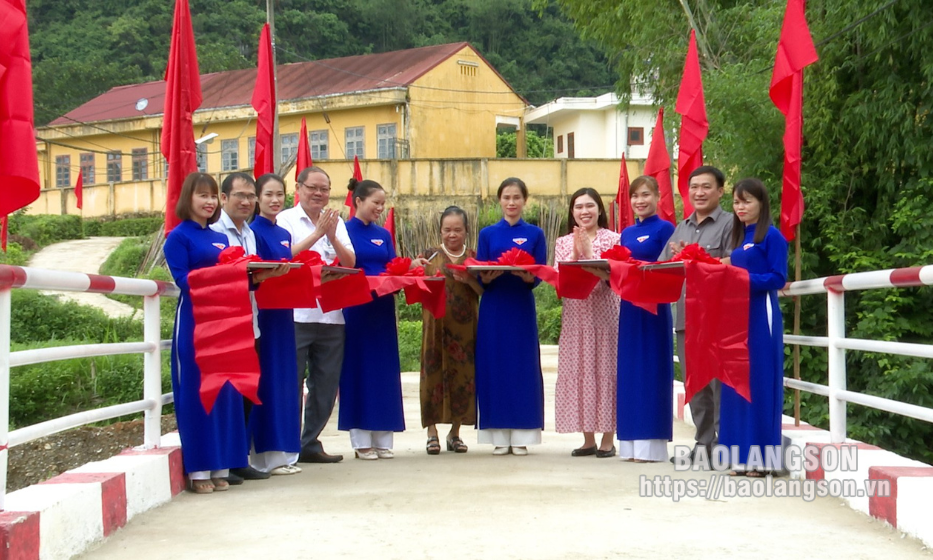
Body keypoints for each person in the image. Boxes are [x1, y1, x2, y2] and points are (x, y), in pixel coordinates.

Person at [163, 172, 284, 494]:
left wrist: (264, 275)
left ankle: (221, 466)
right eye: (202, 195)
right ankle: (199, 470)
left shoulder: (219, 238)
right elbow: (184, 281)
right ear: (187, 198)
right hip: (196, 321)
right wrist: (225, 273)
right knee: (199, 392)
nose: (209, 202)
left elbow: (239, 281)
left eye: (212, 196)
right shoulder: (178, 237)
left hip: (228, 322)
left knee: (226, 393)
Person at [277, 166, 356, 464]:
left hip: (332, 315)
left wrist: (332, 235)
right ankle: (286, 444)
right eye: (313, 188)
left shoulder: (338, 221)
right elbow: (286, 258)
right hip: (296, 315)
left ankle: (310, 442)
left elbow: (350, 260)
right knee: (292, 383)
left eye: (324, 189)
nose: (319, 194)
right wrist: (317, 233)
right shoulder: (285, 219)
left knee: (325, 384)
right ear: (299, 188)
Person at [659, 165, 734, 464]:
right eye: (694, 188)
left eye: (706, 187)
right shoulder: (682, 227)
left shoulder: (731, 224)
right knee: (696, 384)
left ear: (720, 191)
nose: (699, 193)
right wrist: (677, 256)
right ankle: (703, 444)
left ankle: (725, 445)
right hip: (686, 318)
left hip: (717, 317)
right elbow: (663, 266)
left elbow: (734, 266)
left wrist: (700, 261)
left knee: (719, 383)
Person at [474, 177, 547, 456]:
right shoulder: (487, 234)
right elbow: (479, 274)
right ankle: (497, 435)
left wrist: (529, 277)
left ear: (525, 200)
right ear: (499, 200)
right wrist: (486, 277)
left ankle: (522, 434)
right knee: (494, 365)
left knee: (522, 366)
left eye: (517, 197)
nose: (512, 202)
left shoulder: (535, 234)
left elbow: (539, 273)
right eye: (506, 197)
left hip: (520, 306)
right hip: (494, 307)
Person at [721, 178, 788, 476]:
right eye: (736, 202)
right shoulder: (738, 238)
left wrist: (742, 280)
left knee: (760, 383)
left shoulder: (772, 236)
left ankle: (762, 460)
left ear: (762, 202)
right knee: (735, 383)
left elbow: (777, 278)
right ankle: (738, 457)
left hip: (761, 316)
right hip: (735, 318)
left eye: (746, 201)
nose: (740, 207)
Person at [338, 178, 408, 460]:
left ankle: (383, 436)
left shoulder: (384, 234)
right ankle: (361, 439)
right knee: (358, 369)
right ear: (358, 201)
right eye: (375, 203)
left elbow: (392, 265)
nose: (380, 208)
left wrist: (409, 269)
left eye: (382, 203)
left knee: (384, 370)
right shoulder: (342, 231)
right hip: (356, 308)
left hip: (382, 308)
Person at [209, 172, 273, 482]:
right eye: (240, 196)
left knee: (248, 391)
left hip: (251, 322)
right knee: (226, 392)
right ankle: (226, 459)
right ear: (223, 198)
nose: (247, 201)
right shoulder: (213, 232)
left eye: (251, 196)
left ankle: (240, 459)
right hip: (224, 325)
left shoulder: (250, 233)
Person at [553, 188, 620, 458]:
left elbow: (615, 276)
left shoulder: (613, 238)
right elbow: (561, 277)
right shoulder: (563, 242)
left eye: (590, 206)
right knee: (580, 371)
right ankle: (587, 438)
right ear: (572, 211)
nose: (584, 211)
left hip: (605, 314)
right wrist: (575, 256)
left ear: (600, 209)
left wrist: (591, 254)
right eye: (578, 207)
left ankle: (608, 439)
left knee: (606, 371)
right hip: (576, 315)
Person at [614, 176, 675, 462]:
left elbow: (669, 267)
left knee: (652, 370)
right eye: (635, 196)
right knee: (629, 372)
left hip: (654, 308)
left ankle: (651, 445)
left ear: (658, 196)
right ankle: (629, 443)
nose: (640, 201)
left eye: (646, 195)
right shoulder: (625, 232)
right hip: (629, 309)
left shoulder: (666, 229)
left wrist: (643, 270)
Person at [247, 173, 301, 475]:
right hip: (264, 313)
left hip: (284, 312)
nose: (275, 200)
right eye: (268, 194)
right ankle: (264, 455)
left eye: (279, 194)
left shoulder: (283, 232)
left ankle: (284, 453)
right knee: (266, 382)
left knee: (283, 380)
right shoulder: (253, 232)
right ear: (257, 198)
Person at [420, 206, 482, 455]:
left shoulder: (475, 258)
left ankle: (455, 433)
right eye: (447, 230)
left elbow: (484, 293)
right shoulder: (428, 256)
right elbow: (414, 287)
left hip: (465, 329)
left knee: (463, 378)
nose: (452, 234)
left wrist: (469, 280)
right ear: (440, 231)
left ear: (466, 231)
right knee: (432, 375)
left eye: (458, 229)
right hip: (435, 326)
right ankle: (432, 432)